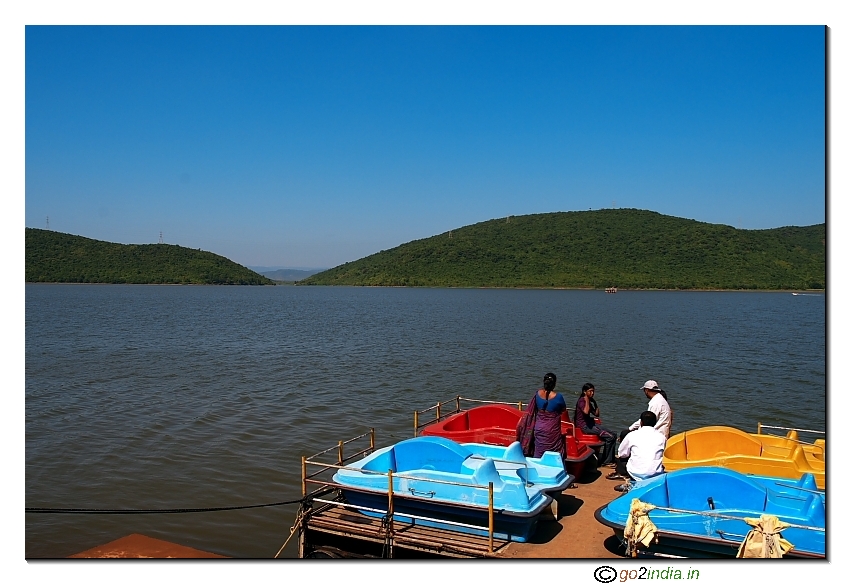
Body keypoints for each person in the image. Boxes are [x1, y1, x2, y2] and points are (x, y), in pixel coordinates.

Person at [610, 410, 667, 490]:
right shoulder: (662, 437)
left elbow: (621, 453)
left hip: (636, 473)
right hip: (655, 473)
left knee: (622, 458)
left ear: (641, 422)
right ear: (655, 423)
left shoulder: (632, 435)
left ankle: (630, 483)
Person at [524, 372, 567, 459]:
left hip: (538, 429)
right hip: (551, 431)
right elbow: (563, 409)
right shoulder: (558, 397)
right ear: (554, 383)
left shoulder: (537, 394)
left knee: (539, 452)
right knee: (554, 452)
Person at [574, 382, 617, 467]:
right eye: (590, 391)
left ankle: (609, 458)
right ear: (584, 392)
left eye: (593, 391)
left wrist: (595, 403)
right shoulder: (582, 401)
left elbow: (597, 414)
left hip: (591, 424)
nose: (592, 393)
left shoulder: (589, 401)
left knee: (614, 434)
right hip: (584, 426)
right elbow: (586, 411)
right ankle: (606, 461)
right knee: (610, 437)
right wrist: (586, 400)